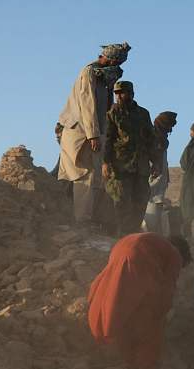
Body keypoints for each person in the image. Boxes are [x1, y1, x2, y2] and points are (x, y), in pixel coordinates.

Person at [88, 233, 192, 369]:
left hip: (120, 249)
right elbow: (167, 289)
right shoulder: (174, 255)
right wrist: (164, 310)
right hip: (138, 259)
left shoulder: (154, 242)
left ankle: (125, 360)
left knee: (120, 307)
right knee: (151, 319)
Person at [58, 42, 131, 230]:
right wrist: (93, 136)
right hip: (82, 133)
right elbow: (88, 105)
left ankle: (87, 219)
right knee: (85, 175)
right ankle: (82, 220)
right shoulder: (89, 73)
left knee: (95, 177)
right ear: (110, 59)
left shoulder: (102, 76)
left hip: (94, 132)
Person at [103, 80, 158, 237]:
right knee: (121, 202)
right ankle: (123, 236)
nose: (119, 96)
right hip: (121, 166)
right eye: (117, 93)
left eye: (122, 93)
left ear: (131, 94)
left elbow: (151, 139)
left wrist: (156, 162)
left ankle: (133, 233)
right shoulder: (112, 114)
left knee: (140, 201)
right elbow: (107, 139)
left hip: (141, 166)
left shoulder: (143, 114)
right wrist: (105, 162)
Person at [149, 111, 177, 201]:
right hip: (153, 180)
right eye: (169, 126)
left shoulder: (161, 139)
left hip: (159, 181)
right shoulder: (152, 137)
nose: (170, 130)